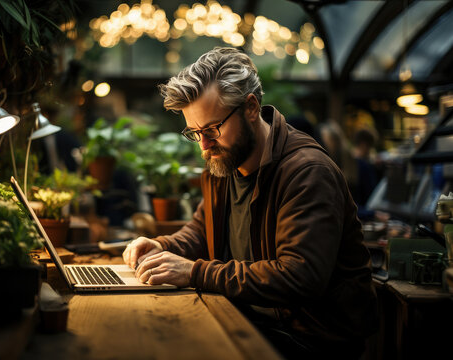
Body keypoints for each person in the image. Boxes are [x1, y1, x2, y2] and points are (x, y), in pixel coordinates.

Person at [123, 47, 378, 359]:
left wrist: (194, 273)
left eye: (212, 129)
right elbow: (203, 233)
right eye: (195, 133)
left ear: (252, 107)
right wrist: (161, 246)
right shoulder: (225, 162)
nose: (204, 145)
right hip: (250, 320)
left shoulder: (307, 172)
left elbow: (300, 277)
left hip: (310, 341)